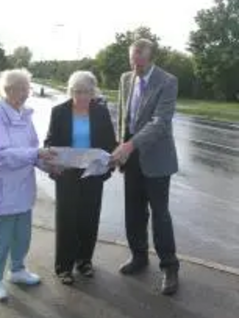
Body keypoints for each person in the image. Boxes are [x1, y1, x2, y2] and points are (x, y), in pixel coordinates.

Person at [112, 39, 180, 295]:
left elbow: (160, 122)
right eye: (132, 59)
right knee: (134, 211)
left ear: (151, 58)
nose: (135, 66)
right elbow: (123, 114)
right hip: (131, 160)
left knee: (160, 215)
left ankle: (170, 267)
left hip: (157, 159)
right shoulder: (125, 78)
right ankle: (139, 257)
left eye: (139, 61)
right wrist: (121, 144)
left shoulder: (167, 81)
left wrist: (129, 145)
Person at [0, 68, 55, 301]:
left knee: (22, 235)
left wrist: (51, 167)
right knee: (1, 238)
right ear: (8, 90)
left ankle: (18, 270)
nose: (26, 93)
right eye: (21, 89)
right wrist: (37, 153)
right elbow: (2, 154)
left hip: (23, 188)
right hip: (3, 189)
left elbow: (34, 153)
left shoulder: (24, 116)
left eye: (27, 88)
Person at [45, 71, 117, 285]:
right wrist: (52, 161)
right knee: (67, 219)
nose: (82, 96)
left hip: (92, 172)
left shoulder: (101, 112)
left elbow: (109, 142)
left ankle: (84, 261)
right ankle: (63, 267)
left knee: (89, 216)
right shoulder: (59, 112)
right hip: (67, 173)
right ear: (70, 91)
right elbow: (50, 141)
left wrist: (110, 159)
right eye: (77, 91)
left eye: (86, 92)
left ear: (93, 92)